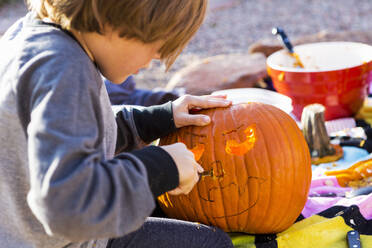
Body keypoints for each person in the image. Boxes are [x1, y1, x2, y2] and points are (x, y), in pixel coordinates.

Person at [0, 0, 234, 248]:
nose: (158, 57)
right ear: (108, 18)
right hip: (65, 239)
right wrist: (161, 167)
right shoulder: (64, 69)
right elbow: (68, 205)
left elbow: (77, 131)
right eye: (156, 44)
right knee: (210, 243)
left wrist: (154, 119)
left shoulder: (34, 40)